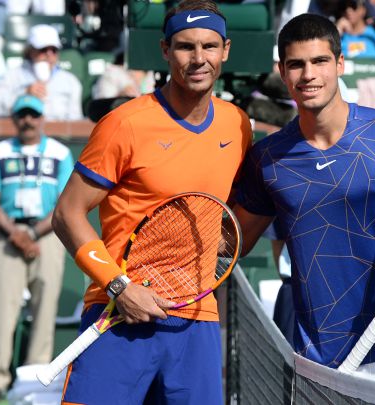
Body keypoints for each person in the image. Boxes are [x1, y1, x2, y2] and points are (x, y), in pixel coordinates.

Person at [233, 13, 375, 393]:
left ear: (340, 64)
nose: (309, 75)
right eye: (297, 64)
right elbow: (230, 244)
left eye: (319, 61)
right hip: (320, 360)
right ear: (282, 73)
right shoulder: (267, 159)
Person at [51, 0, 252, 403]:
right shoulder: (124, 124)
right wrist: (118, 286)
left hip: (196, 321)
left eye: (209, 46)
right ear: (164, 50)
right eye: (185, 46)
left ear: (225, 50)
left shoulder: (237, 124)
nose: (198, 59)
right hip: (119, 314)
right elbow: (66, 214)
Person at [0, 94, 74, 402]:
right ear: (14, 118)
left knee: (45, 309)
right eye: (22, 115)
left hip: (46, 232)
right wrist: (15, 233)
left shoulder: (59, 152)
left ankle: (35, 378)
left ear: (42, 117)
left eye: (33, 115)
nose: (28, 121)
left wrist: (32, 233)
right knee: (0, 308)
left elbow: (64, 201)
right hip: (8, 232)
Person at [0, 24, 83, 121]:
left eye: (54, 49)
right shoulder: (12, 76)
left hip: (57, 137)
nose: (49, 54)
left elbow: (75, 119)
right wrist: (23, 95)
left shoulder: (70, 81)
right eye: (43, 49)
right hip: (22, 134)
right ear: (30, 50)